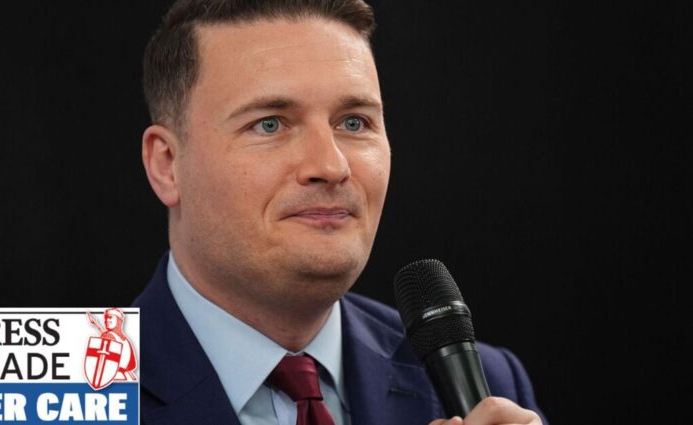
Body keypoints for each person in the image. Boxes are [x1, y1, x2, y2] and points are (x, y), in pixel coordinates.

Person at [132, 1, 547, 424]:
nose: (331, 166)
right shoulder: (87, 385)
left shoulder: (491, 390)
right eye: (269, 124)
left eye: (354, 123)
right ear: (167, 165)